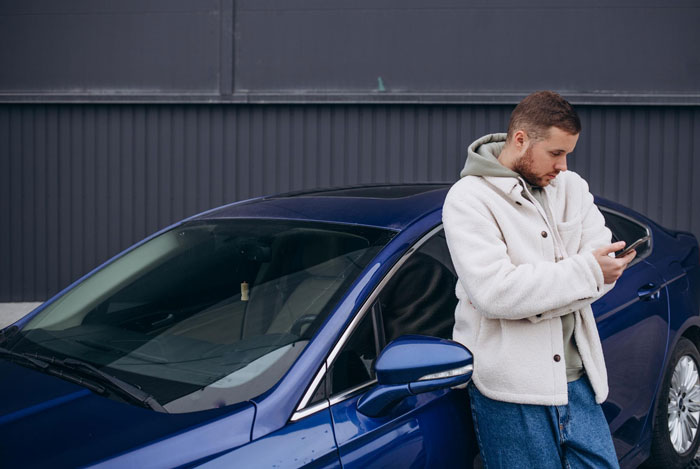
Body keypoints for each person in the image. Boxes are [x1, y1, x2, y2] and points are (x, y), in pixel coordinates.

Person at [441, 90, 637, 468]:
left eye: (567, 154)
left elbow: (603, 265)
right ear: (520, 140)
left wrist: (536, 298)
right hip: (510, 391)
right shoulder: (468, 200)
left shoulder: (571, 187)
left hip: (578, 379)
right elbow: (496, 293)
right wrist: (585, 273)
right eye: (556, 153)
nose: (563, 166)